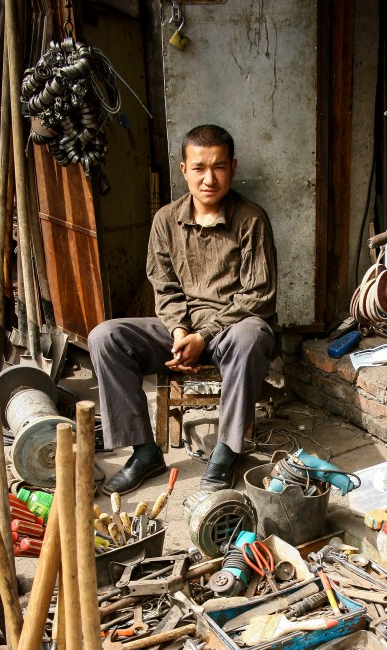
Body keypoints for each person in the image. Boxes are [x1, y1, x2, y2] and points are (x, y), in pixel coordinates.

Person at [88, 124, 278, 495]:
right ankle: (144, 452)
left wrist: (203, 335)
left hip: (230, 331)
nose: (209, 178)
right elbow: (165, 287)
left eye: (219, 167)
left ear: (233, 167)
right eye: (199, 168)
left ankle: (226, 452)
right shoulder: (165, 221)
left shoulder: (252, 220)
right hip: (178, 330)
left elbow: (260, 296)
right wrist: (178, 332)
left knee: (253, 333)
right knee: (106, 336)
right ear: (183, 170)